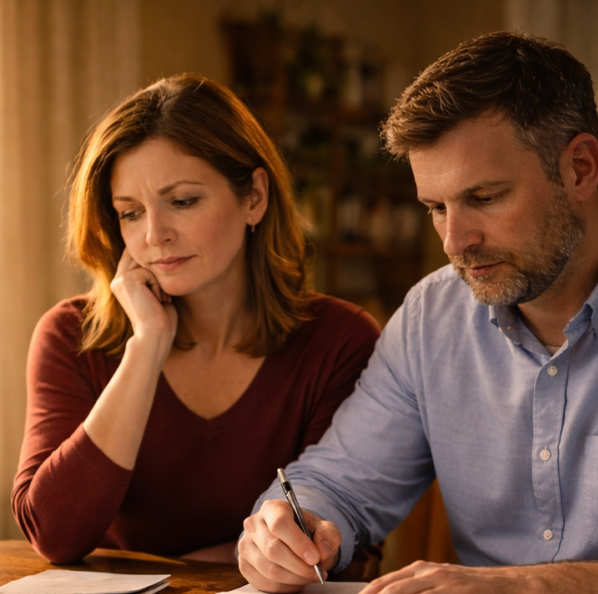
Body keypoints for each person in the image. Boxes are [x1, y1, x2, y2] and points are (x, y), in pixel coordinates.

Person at [239, 32, 598, 594]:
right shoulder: (433, 315)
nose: (454, 242)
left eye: (484, 197)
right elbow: (339, 480)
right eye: (435, 207)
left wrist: (524, 591)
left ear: (580, 168)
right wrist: (293, 529)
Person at [12, 74, 379, 565]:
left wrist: (174, 577)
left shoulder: (340, 341)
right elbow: (56, 535)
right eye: (130, 213)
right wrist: (145, 347)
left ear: (254, 197)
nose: (154, 235)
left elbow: (339, 545)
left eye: (182, 202)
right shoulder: (72, 336)